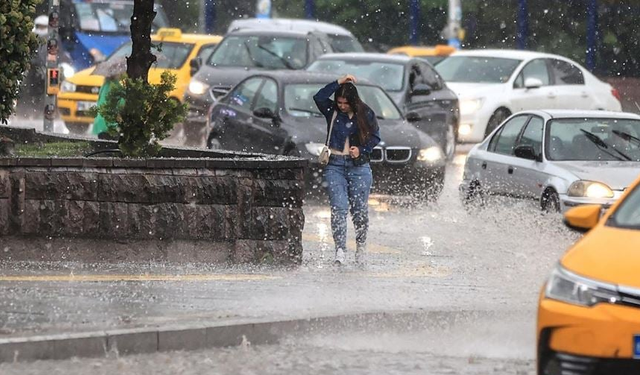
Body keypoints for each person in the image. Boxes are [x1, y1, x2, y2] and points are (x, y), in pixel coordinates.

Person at [313, 74, 381, 266]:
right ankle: (340, 250)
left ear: (353, 101)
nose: (342, 106)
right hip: (334, 165)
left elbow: (376, 136)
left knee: (359, 211)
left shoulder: (365, 113)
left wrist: (362, 149)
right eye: (339, 102)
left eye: (345, 103)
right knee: (338, 209)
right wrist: (339, 82)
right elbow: (318, 97)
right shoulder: (332, 111)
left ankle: (360, 246)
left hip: (359, 167)